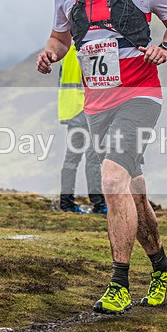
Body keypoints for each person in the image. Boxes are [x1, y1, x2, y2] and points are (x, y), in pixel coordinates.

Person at [36, 0, 167, 314]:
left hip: (140, 94)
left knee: (110, 177)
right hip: (96, 104)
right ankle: (162, 267)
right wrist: (51, 52)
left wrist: (165, 48)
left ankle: (118, 283)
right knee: (133, 192)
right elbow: (60, 36)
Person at [58, 44, 107, 214]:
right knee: (93, 159)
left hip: (71, 111)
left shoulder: (66, 52)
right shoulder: (87, 49)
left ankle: (66, 202)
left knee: (71, 159)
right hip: (87, 110)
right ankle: (99, 204)